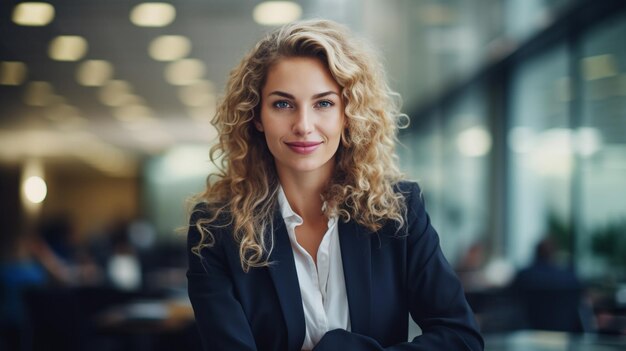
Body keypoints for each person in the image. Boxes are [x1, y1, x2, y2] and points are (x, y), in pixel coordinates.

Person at [187, 19, 483, 351]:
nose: (303, 125)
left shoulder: (397, 210)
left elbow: (461, 338)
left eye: (323, 103)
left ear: (348, 114)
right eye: (282, 104)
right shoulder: (216, 227)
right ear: (256, 115)